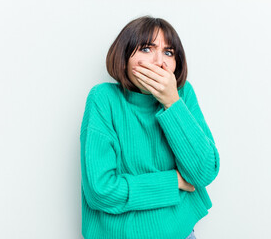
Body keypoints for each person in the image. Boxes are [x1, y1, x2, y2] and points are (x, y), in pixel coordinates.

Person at [80, 15, 220, 239]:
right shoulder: (103, 98)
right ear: (124, 56)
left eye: (168, 52)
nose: (160, 62)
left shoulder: (182, 95)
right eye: (146, 49)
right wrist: (173, 181)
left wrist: (171, 103)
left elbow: (203, 173)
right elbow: (101, 191)